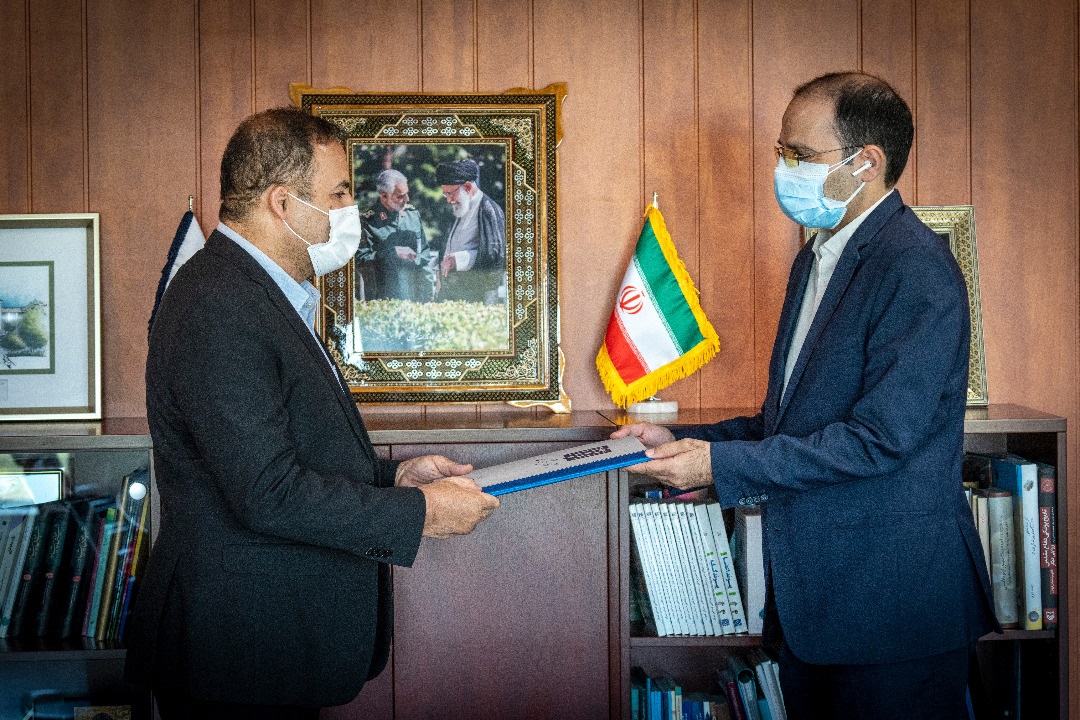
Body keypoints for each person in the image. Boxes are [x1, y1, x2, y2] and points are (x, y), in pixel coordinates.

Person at [614, 72, 996, 720]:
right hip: (815, 607)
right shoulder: (815, 259)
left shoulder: (914, 266)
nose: (783, 169)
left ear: (866, 162)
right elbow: (790, 422)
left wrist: (717, 466)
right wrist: (684, 442)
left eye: (800, 154)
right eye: (781, 152)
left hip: (891, 608)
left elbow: (879, 439)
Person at [125, 108, 499, 720]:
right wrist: (420, 514)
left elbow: (286, 450)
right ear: (282, 203)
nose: (352, 209)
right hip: (237, 657)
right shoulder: (218, 303)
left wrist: (394, 478)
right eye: (339, 193)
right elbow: (267, 491)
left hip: (268, 651)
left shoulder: (256, 292)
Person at [355, 169, 437, 302]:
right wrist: (393, 253)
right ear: (384, 196)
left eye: (407, 194)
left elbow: (424, 257)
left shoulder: (412, 215)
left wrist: (428, 296)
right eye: (400, 196)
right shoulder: (367, 222)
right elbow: (362, 261)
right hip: (383, 298)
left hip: (414, 296)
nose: (407, 199)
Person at [435, 159, 506, 304]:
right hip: (451, 294)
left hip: (477, 297)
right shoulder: (460, 207)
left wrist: (459, 259)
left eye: (449, 193)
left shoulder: (489, 209)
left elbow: (496, 255)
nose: (448, 200)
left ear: (467, 187)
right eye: (445, 194)